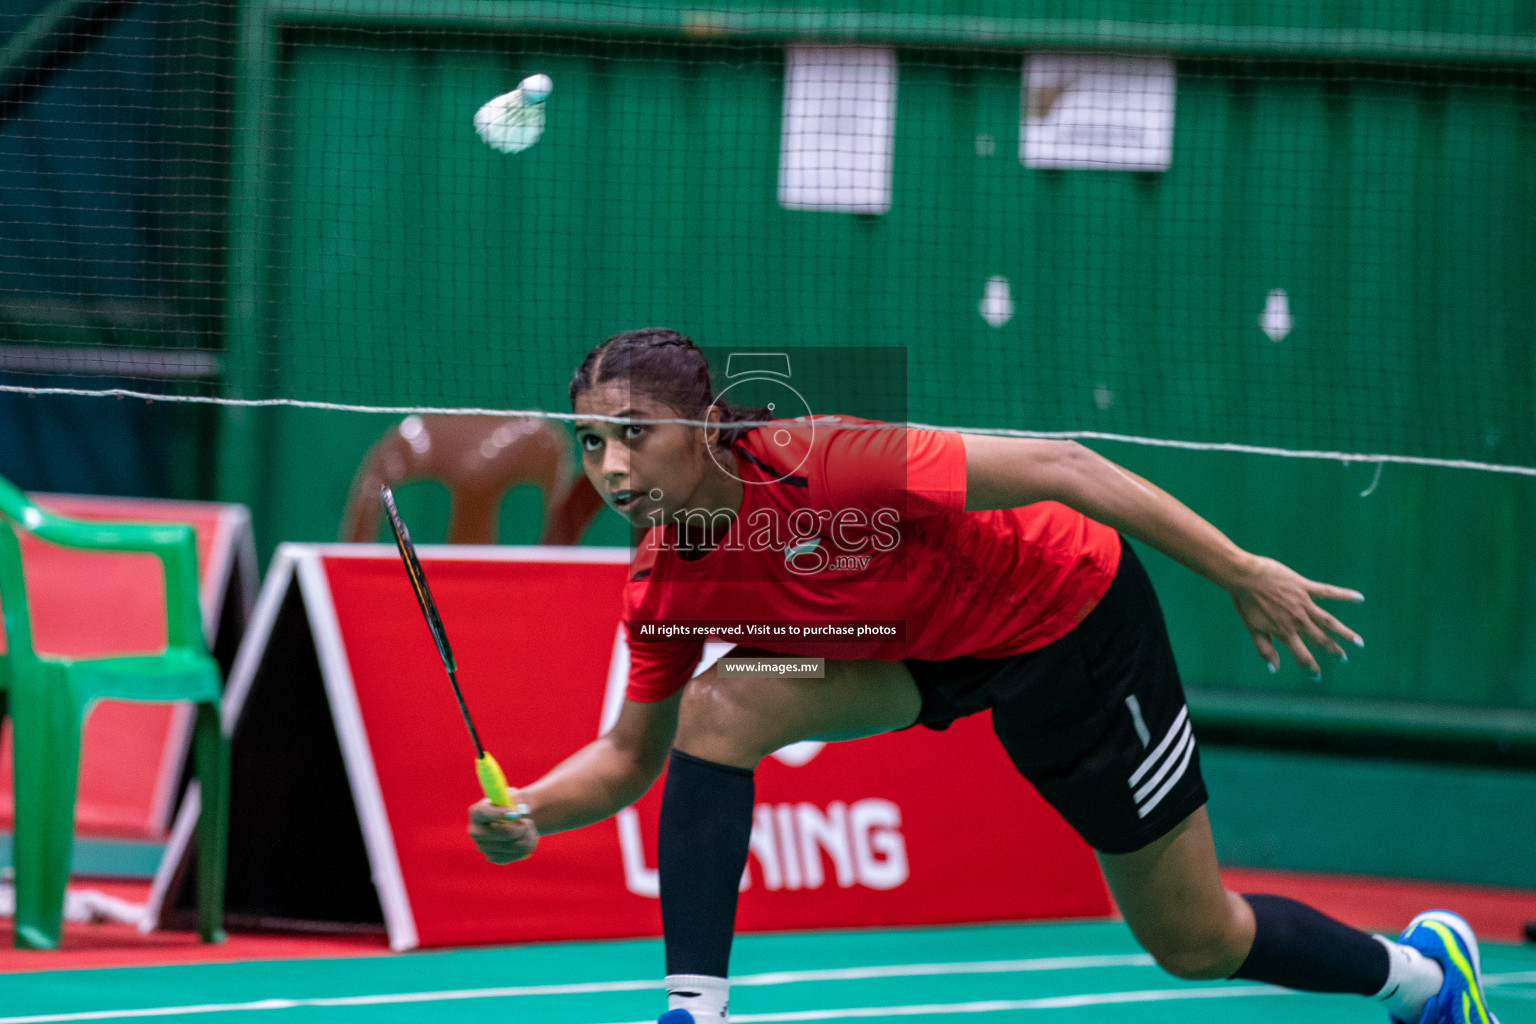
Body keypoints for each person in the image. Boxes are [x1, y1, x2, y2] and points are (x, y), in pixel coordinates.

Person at [468, 328, 1500, 1024]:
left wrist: (1239, 570)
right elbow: (626, 757)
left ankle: (1420, 975)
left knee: (1192, 938)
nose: (608, 468)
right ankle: (693, 1003)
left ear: (702, 428)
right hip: (925, 650)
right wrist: (533, 811)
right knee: (718, 705)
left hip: (1064, 616)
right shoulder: (664, 583)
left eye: (633, 436)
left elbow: (1066, 467)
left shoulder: (822, 463)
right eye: (591, 441)